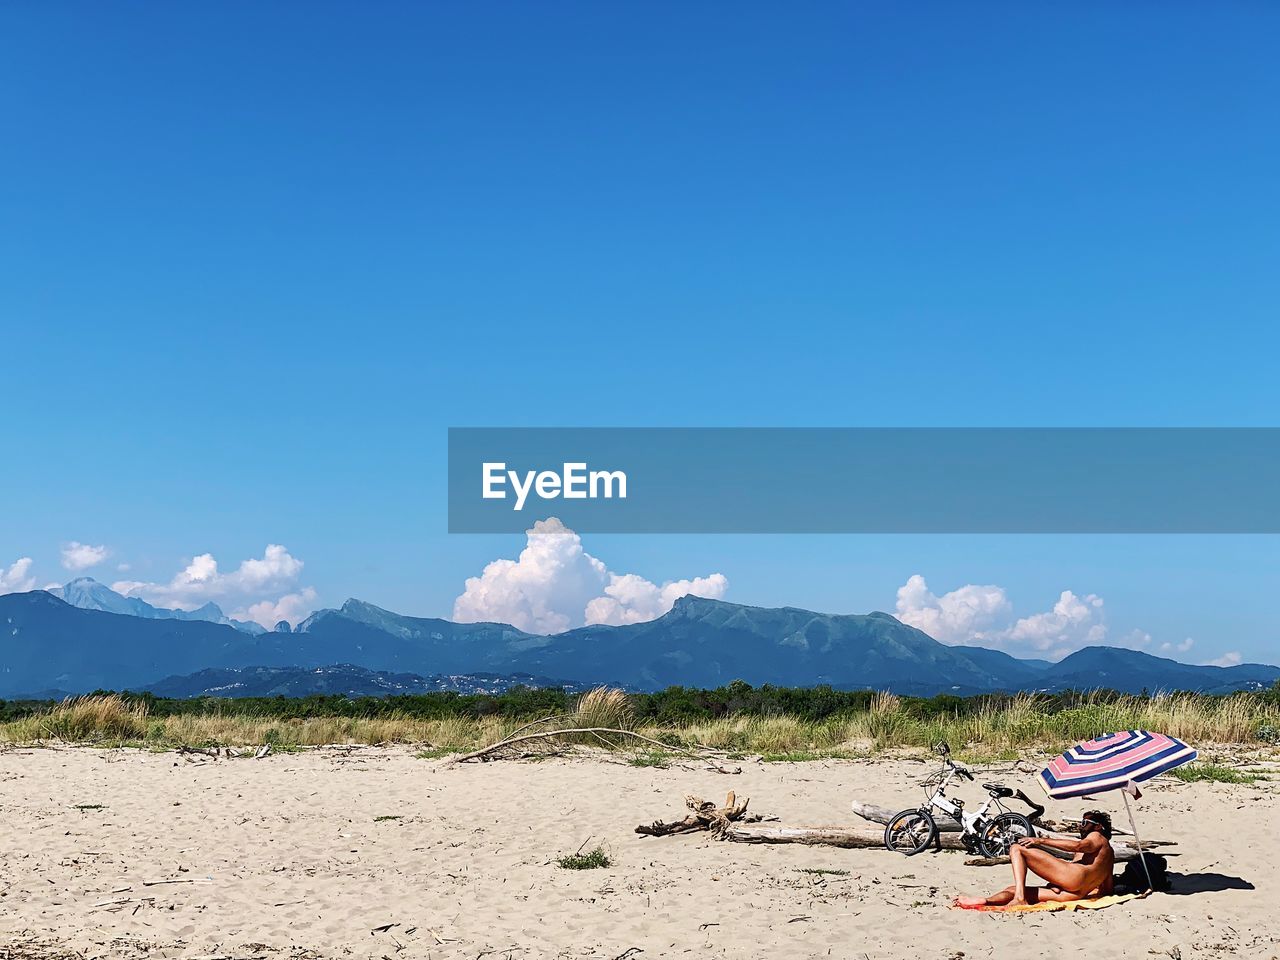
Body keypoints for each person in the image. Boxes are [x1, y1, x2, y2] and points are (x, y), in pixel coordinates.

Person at [955, 810, 1116, 908]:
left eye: (1085, 822)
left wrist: (1040, 840)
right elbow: (1107, 888)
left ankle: (1020, 898)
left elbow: (1079, 846)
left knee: (1017, 848)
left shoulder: (1097, 837)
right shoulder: (1108, 854)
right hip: (1075, 894)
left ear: (1098, 826)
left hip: (1073, 879)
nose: (1080, 826)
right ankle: (986, 901)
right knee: (1012, 888)